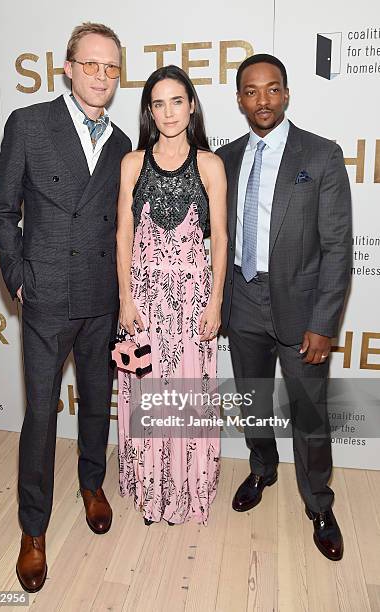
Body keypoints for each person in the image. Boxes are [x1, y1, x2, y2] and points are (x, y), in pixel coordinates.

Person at [0, 22, 131, 592]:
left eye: (112, 68)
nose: (101, 76)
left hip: (102, 299)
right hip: (46, 297)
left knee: (98, 404)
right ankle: (33, 529)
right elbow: (2, 211)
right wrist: (19, 277)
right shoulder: (29, 124)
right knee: (41, 417)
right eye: (91, 65)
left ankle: (92, 484)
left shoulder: (123, 143)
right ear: (67, 68)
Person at [216, 54, 351, 561]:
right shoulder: (225, 158)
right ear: (239, 99)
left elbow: (338, 246)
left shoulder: (321, 155)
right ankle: (262, 468)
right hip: (243, 299)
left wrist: (323, 324)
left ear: (287, 94)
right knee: (251, 399)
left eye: (272, 89)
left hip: (300, 309)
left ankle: (319, 502)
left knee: (309, 413)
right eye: (251, 91)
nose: (263, 100)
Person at [116, 65, 227, 525]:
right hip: (143, 298)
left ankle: (185, 490)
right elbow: (123, 234)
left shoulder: (210, 164)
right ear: (149, 110)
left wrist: (216, 300)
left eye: (176, 101)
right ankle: (147, 488)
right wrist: (125, 297)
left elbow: (219, 237)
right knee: (144, 391)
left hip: (193, 298)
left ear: (192, 105)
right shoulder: (131, 162)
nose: (168, 112)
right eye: (158, 103)